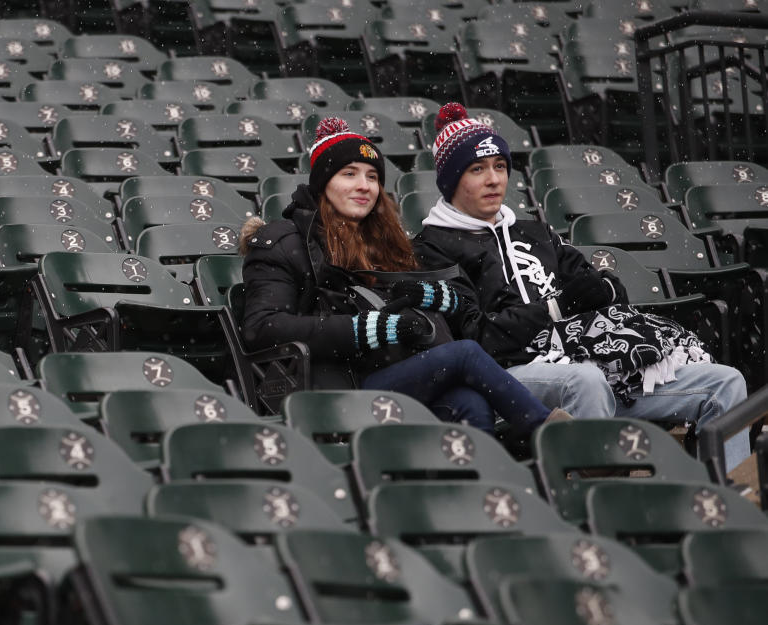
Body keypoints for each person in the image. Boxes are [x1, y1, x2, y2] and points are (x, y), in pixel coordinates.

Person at [412, 102, 749, 471]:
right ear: (451, 179)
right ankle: (602, 506)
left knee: (725, 382)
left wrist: (599, 291)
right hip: (509, 375)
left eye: (500, 167)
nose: (494, 180)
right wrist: (556, 309)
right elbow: (477, 337)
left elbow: (603, 290)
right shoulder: (431, 248)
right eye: (477, 169)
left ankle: (729, 499)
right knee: (584, 381)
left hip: (589, 359)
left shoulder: (535, 232)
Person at [239, 115, 567, 436]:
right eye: (349, 174)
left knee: (469, 403)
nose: (363, 186)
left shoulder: (385, 242)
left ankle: (472, 486)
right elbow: (262, 327)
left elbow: (445, 312)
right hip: (329, 387)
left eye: (372, 176)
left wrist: (432, 298)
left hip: (390, 373)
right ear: (324, 183)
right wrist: (365, 329)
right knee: (465, 354)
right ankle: (556, 436)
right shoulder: (282, 241)